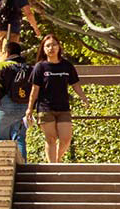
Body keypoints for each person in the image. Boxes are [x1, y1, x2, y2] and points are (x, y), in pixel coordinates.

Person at [26, 35, 85, 163]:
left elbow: (75, 84)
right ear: (43, 49)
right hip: (45, 108)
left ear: (59, 47)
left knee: (66, 139)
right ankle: (52, 167)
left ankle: (57, 159)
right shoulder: (40, 67)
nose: (51, 48)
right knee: (51, 139)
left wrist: (83, 97)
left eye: (54, 45)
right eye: (47, 46)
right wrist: (29, 109)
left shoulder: (67, 66)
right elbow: (34, 90)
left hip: (63, 108)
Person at [0, 41, 32, 159]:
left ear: (7, 52)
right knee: (20, 139)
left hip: (6, 104)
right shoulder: (29, 67)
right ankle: (22, 170)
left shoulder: (3, 66)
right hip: (24, 105)